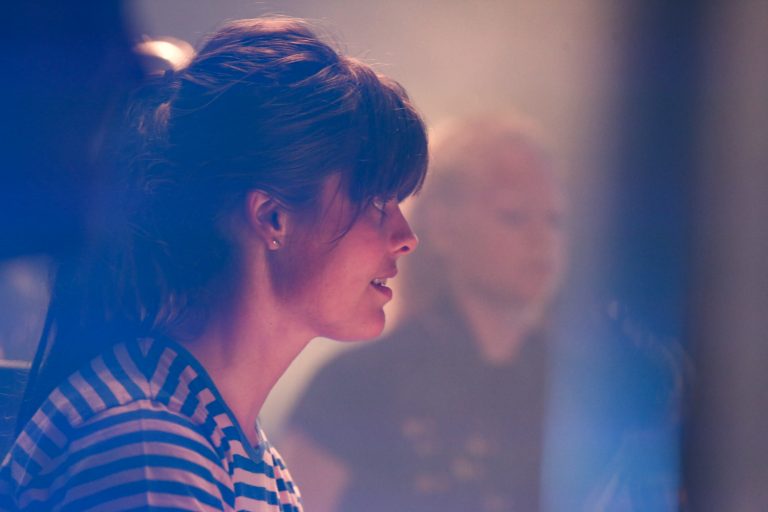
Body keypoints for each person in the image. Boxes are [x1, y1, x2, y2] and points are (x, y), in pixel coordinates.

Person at [0, 17, 427, 511]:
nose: (407, 239)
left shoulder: (232, 445)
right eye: (376, 201)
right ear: (272, 217)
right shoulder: (149, 441)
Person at [281, 115, 568, 511]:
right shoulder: (358, 384)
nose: (542, 240)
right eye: (514, 215)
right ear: (442, 227)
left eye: (554, 220)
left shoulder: (578, 387)